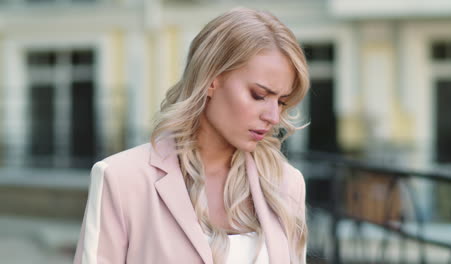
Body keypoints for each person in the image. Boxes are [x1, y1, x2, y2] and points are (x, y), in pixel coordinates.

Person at [73, 7, 309, 264]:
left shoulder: (287, 184)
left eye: (282, 101)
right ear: (211, 80)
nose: (273, 117)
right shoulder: (121, 180)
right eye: (259, 95)